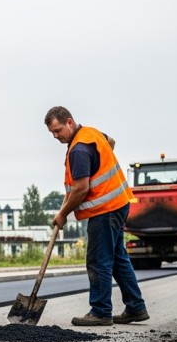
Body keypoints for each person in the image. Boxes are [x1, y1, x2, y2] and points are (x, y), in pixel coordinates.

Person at [44, 106, 149, 326]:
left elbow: (81, 189)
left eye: (58, 130)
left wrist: (63, 213)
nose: (56, 136)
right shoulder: (91, 134)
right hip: (119, 203)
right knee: (118, 258)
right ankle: (136, 307)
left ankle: (101, 311)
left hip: (106, 210)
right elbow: (111, 142)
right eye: (52, 133)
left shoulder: (79, 150)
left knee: (98, 260)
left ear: (69, 122)